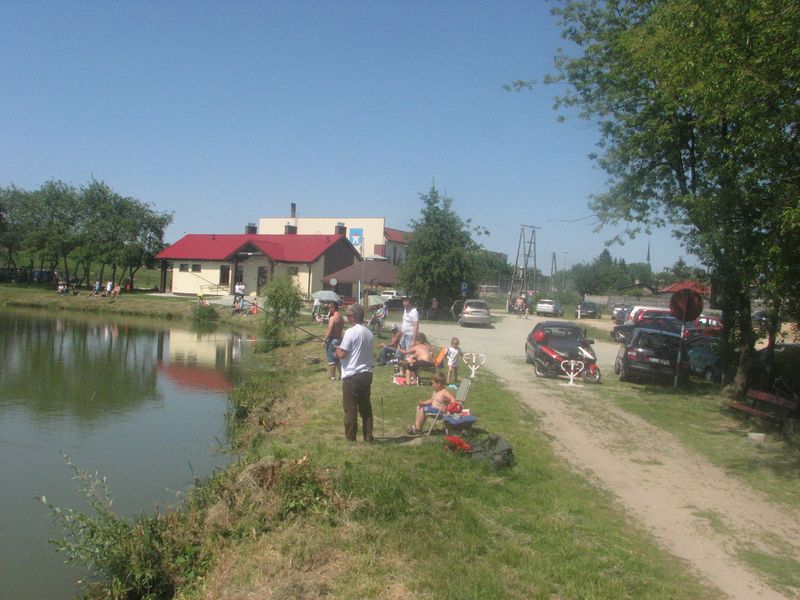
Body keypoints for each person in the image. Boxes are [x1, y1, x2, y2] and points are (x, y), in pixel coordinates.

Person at [335, 303, 374, 442]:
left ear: (354, 317)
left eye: (348, 315)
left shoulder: (351, 332)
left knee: (350, 409)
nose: (346, 317)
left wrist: (336, 349)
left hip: (352, 377)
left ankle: (351, 439)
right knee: (365, 408)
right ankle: (368, 437)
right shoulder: (369, 333)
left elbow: (342, 354)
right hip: (367, 374)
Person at [323, 300, 344, 381]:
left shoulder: (333, 318)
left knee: (331, 359)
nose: (328, 309)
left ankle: (333, 377)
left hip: (332, 340)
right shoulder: (341, 317)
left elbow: (330, 330)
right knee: (338, 359)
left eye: (329, 307)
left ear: (334, 307)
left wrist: (325, 341)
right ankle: (342, 376)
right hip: (340, 340)